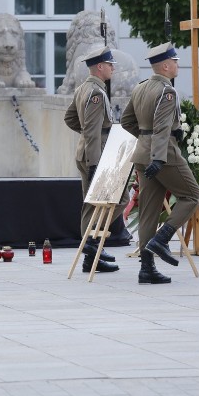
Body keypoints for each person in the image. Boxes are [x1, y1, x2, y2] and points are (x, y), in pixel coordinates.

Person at [121, 42, 199, 285]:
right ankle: (163, 238)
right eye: (175, 61)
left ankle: (146, 268)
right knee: (191, 196)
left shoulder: (141, 88)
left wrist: (145, 140)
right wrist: (158, 155)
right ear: (166, 65)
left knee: (147, 211)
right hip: (163, 154)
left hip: (143, 154)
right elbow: (163, 127)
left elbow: (126, 121)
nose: (178, 65)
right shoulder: (168, 92)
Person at [64, 46, 120, 274]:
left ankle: (91, 257)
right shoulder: (96, 93)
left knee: (91, 204)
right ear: (99, 67)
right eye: (109, 64)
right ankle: (92, 243)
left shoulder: (83, 89)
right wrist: (95, 163)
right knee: (120, 198)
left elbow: (70, 119)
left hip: (89, 151)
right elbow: (92, 130)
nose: (112, 68)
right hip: (97, 154)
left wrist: (87, 134)